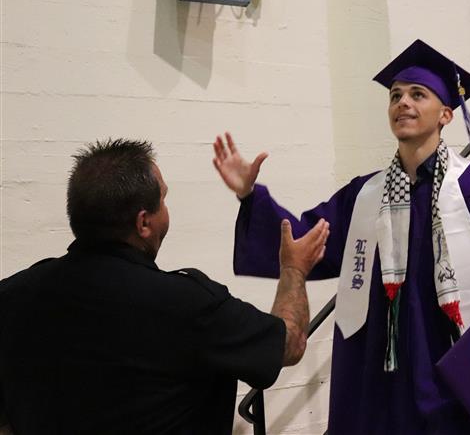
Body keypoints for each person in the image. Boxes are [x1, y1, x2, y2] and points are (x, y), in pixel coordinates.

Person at [214, 40, 470, 434]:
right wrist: (250, 196)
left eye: (418, 94)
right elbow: (303, 242)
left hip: (446, 369)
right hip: (375, 376)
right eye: (395, 95)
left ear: (446, 114)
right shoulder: (363, 196)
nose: (403, 102)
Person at [0, 138, 329, 435]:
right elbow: (290, 343)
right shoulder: (190, 304)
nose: (167, 211)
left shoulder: (12, 297)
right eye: (164, 200)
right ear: (143, 222)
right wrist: (294, 269)